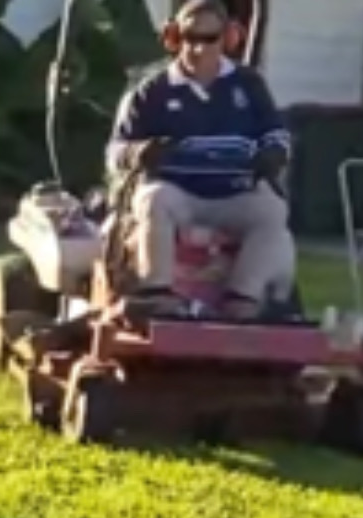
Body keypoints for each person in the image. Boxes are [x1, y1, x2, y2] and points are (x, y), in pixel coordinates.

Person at [107, 0, 296, 319]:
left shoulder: (249, 86)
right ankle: (158, 292)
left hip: (234, 190)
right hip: (177, 191)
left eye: (209, 39)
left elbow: (275, 134)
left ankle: (243, 298)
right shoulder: (151, 91)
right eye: (189, 38)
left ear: (228, 39)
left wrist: (274, 154)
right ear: (173, 38)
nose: (197, 48)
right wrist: (138, 153)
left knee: (272, 210)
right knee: (153, 199)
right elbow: (116, 150)